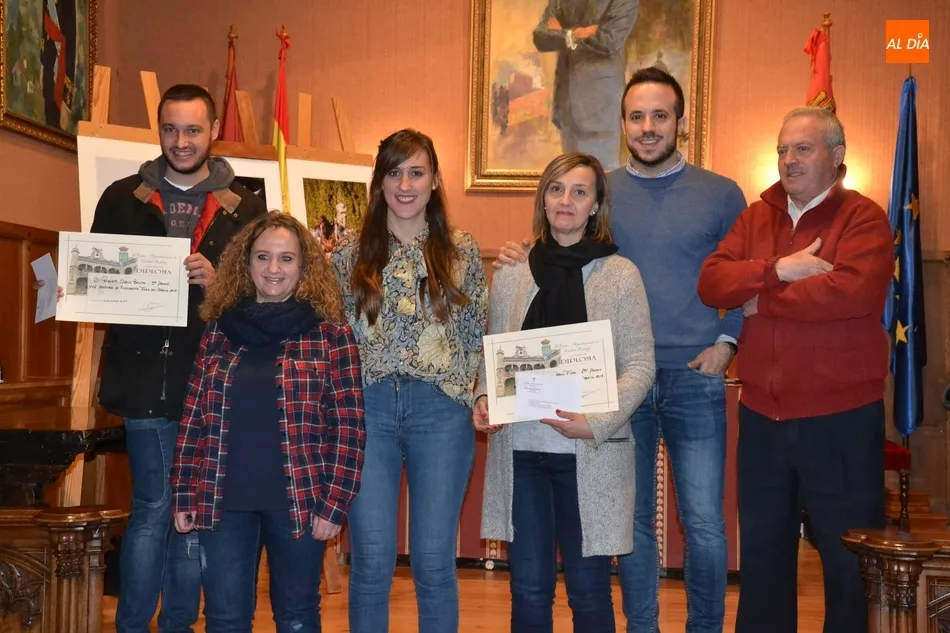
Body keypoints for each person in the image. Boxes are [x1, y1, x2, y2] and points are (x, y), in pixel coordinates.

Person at [495, 66, 747, 633]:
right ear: (624, 123)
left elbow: (744, 281)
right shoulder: (598, 190)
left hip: (692, 372)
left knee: (703, 521)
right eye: (638, 116)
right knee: (627, 520)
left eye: (661, 115)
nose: (649, 126)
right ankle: (642, 626)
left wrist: (728, 344)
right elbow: (562, 260)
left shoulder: (722, 193)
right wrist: (518, 253)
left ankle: (704, 627)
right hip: (612, 384)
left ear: (680, 121)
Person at [696, 106, 893, 633]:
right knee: (762, 561)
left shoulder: (865, 217)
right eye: (782, 150)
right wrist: (778, 270)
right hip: (763, 416)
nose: (789, 160)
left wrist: (763, 299)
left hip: (842, 420)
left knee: (848, 562)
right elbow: (713, 282)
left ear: (837, 156)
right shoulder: (756, 217)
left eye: (802, 149)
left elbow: (851, 292)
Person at [88, 84, 267, 633]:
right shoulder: (121, 197)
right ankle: (135, 624)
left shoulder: (247, 206)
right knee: (153, 506)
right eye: (170, 129)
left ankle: (179, 623)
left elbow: (267, 294)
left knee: (193, 508)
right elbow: (94, 281)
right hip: (142, 379)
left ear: (213, 130)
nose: (181, 141)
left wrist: (221, 286)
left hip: (215, 382)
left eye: (193, 129)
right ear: (158, 130)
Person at [475, 153, 656, 632]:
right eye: (556, 189)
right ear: (543, 198)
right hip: (523, 455)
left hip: (587, 454)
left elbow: (640, 365)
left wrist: (594, 422)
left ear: (596, 205)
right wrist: (482, 397)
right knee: (529, 591)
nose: (566, 200)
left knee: (589, 591)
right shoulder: (511, 271)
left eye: (580, 192)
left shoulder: (621, 275)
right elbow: (491, 353)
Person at [171, 212, 365, 633]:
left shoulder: (331, 333)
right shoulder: (219, 329)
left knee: (296, 617)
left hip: (300, 500)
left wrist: (335, 504)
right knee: (223, 619)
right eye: (263, 257)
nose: (273, 269)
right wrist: (184, 492)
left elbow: (349, 426)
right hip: (222, 500)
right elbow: (193, 418)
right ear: (246, 263)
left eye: (286, 259)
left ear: (304, 267)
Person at [331, 128, 489, 633]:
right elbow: (329, 334)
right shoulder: (347, 252)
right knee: (372, 562)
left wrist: (482, 391)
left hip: (440, 412)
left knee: (433, 562)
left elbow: (477, 335)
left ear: (435, 180)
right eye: (394, 172)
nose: (405, 184)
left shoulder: (461, 250)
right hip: (366, 411)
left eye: (416, 172)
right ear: (379, 182)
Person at [532, 0, 639, 170]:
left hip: (600, 109)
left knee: (601, 184)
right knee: (570, 182)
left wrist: (561, 34)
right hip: (565, 107)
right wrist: (573, 35)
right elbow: (540, 37)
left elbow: (609, 42)